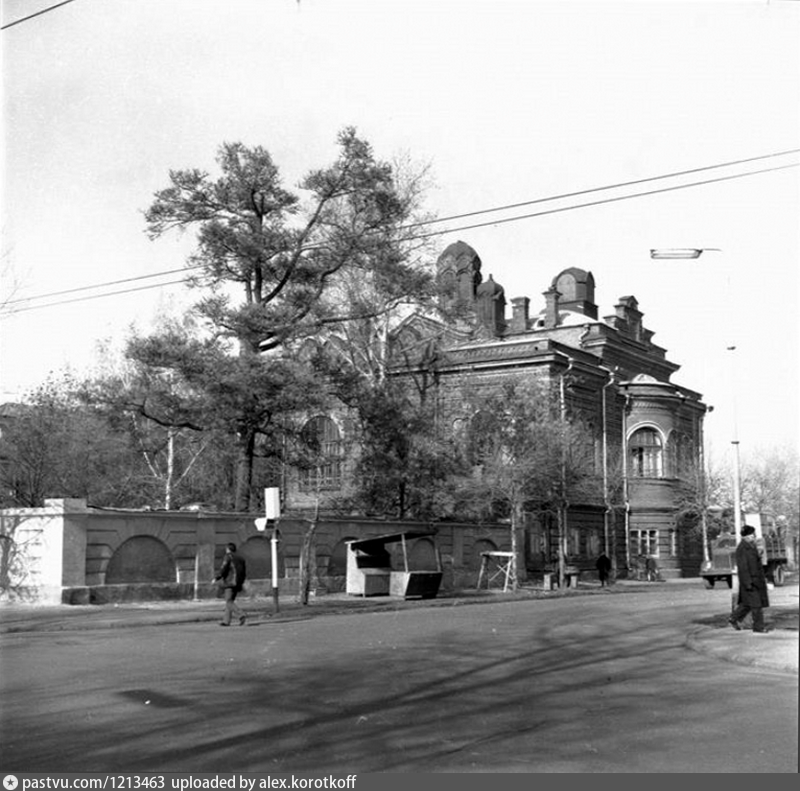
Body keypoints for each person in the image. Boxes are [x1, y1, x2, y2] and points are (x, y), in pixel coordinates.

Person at [729, 525, 770, 633]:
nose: (754, 536)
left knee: (747, 604)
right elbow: (743, 567)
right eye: (752, 535)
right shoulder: (742, 549)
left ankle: (733, 618)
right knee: (757, 605)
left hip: (755, 580)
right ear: (746, 536)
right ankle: (758, 627)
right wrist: (748, 583)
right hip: (750, 581)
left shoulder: (751, 546)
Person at [214, 542, 247, 627]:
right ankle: (226, 621)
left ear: (227, 549)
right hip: (238, 582)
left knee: (228, 601)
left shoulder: (228, 557)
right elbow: (244, 572)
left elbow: (224, 568)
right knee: (230, 601)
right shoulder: (241, 558)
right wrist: (241, 582)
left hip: (230, 582)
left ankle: (241, 614)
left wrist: (217, 577)